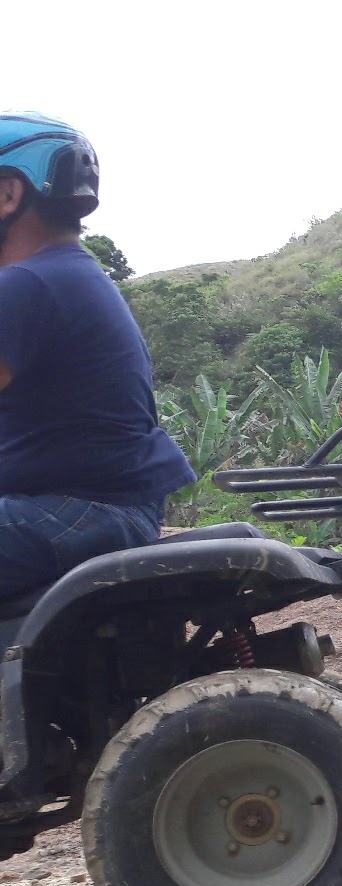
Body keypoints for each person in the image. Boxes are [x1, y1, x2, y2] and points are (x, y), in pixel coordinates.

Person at [0, 112, 194, 599]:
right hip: (103, 509)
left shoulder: (25, 284)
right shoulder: (67, 274)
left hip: (79, 513)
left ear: (9, 194)